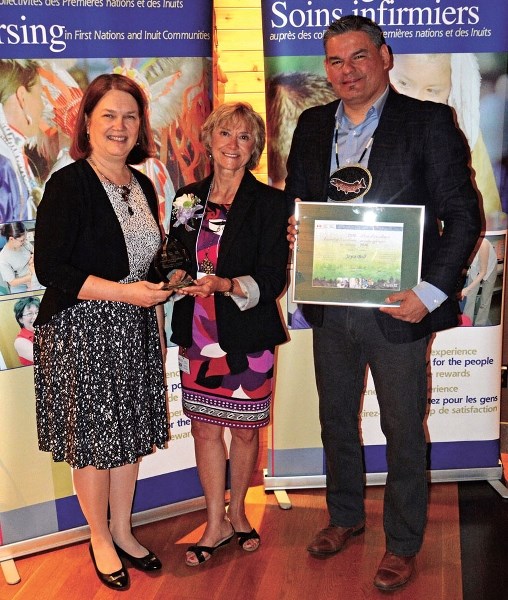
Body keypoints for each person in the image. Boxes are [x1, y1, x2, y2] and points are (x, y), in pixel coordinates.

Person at [285, 16, 481, 591]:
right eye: (335, 61)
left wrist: (430, 293)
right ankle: (344, 516)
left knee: (401, 427)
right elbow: (299, 201)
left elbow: (464, 215)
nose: (347, 71)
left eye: (358, 57)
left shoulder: (427, 122)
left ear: (384, 56)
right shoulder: (313, 124)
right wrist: (297, 229)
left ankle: (401, 542)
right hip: (331, 304)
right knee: (335, 420)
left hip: (400, 307)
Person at [34, 74, 177, 591]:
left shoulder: (140, 184)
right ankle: (99, 535)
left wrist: (169, 278)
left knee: (128, 436)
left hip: (134, 326)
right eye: (109, 116)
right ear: (88, 124)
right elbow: (52, 269)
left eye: (130, 116)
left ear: (141, 125)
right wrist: (129, 294)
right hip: (82, 330)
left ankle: (123, 527)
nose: (120, 126)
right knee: (95, 442)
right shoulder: (68, 184)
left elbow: (144, 257)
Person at [168, 102, 289, 566]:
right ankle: (213, 521)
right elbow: (172, 254)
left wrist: (226, 284)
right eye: (224, 134)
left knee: (243, 431)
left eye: (243, 137)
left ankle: (238, 513)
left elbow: (273, 276)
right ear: (209, 141)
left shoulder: (272, 203)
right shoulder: (186, 200)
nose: (233, 144)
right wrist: (177, 275)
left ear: (254, 146)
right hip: (196, 333)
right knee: (203, 430)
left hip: (247, 336)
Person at [389, 52, 503, 229]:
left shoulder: (467, 138)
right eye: (403, 84)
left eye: (432, 91)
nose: (416, 99)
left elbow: (484, 217)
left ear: (452, 92)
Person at [0, 60, 45, 222]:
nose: (42, 106)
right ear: (22, 98)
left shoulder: (10, 154)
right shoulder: (3, 163)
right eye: (40, 95)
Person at [461, 237, 498, 326]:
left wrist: (467, 288)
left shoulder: (483, 244)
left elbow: (483, 272)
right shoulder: (464, 243)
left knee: (485, 299)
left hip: (489, 268)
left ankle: (480, 324)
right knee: (470, 296)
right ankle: (467, 323)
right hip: (475, 266)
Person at [0, 221, 41, 294]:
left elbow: (34, 250)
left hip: (35, 272)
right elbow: (12, 282)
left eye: (25, 239)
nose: (25, 241)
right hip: (23, 282)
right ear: (11, 239)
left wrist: (34, 258)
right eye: (22, 240)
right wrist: (32, 276)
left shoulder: (24, 243)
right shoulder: (3, 258)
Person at [13, 295, 40, 366]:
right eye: (29, 313)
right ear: (21, 319)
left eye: (37, 312)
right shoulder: (20, 342)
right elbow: (44, 358)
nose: (35, 317)